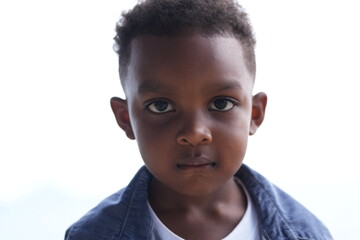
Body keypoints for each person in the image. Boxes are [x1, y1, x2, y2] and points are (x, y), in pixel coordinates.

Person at [65, 0, 333, 239]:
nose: (194, 132)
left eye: (221, 103)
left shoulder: (308, 234)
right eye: (161, 106)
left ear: (255, 113)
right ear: (125, 119)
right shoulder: (91, 235)